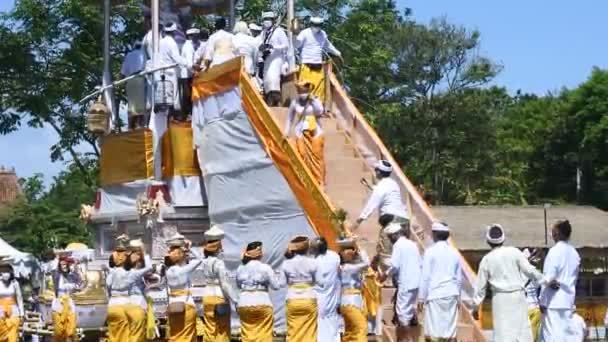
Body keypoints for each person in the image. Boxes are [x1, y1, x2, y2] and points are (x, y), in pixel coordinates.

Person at [472, 224, 548, 342]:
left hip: (501, 300)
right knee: (522, 334)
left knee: (503, 335)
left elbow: (480, 288)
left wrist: (475, 308)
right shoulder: (515, 252)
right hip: (518, 297)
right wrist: (545, 281)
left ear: (488, 241)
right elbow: (530, 270)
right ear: (503, 239)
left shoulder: (487, 259)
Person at [354, 160, 409, 270]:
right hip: (404, 220)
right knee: (399, 250)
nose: (375, 172)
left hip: (392, 222)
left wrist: (358, 221)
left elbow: (371, 204)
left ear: (379, 172)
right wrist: (370, 186)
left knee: (386, 250)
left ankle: (388, 279)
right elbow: (385, 193)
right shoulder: (393, 184)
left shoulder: (381, 187)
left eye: (376, 170)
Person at [418, 221, 462, 342]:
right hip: (452, 294)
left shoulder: (430, 252)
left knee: (433, 332)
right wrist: (459, 299)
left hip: (435, 295)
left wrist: (421, 298)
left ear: (435, 235)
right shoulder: (454, 253)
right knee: (450, 332)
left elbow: (425, 277)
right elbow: (459, 279)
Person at [539, 219, 581, 341]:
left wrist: (542, 301)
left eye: (552, 231)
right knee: (565, 337)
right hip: (568, 301)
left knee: (550, 337)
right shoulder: (574, 253)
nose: (551, 234)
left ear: (557, 233)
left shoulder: (554, 251)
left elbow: (548, 278)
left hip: (553, 302)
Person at [380, 222, 422, 342]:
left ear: (394, 235)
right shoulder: (412, 244)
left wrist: (385, 275)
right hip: (416, 282)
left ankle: (408, 339)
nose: (390, 240)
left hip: (406, 282)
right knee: (407, 309)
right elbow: (420, 263)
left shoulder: (398, 245)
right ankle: (403, 338)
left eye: (390, 237)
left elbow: (395, 265)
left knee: (402, 312)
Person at [106, 236, 152, 342]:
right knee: (127, 334)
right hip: (126, 304)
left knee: (114, 335)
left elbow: (108, 288)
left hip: (112, 305)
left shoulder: (111, 272)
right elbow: (149, 268)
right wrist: (145, 253)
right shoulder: (131, 273)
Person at [236, 241, 281, 342]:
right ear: (260, 253)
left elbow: (239, 285)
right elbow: (276, 286)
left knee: (247, 334)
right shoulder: (265, 268)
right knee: (264, 334)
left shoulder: (240, 268)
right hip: (262, 301)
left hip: (244, 302)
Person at [284, 81, 326, 186]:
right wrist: (286, 132)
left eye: (304, 90)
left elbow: (320, 111)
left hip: (315, 132)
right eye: (300, 90)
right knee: (302, 154)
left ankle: (319, 181)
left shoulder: (314, 100)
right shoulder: (295, 102)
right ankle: (306, 180)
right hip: (300, 131)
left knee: (316, 156)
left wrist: (313, 100)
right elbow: (290, 118)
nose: (302, 92)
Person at [164, 233, 205, 341]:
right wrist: (189, 248)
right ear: (182, 255)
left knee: (175, 335)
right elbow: (200, 259)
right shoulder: (183, 270)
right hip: (186, 304)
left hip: (173, 304)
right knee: (187, 335)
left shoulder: (167, 271)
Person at [279, 236, 319, 341]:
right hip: (309, 297)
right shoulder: (313, 262)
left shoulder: (286, 263)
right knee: (309, 330)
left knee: (293, 330)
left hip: (292, 298)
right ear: (307, 248)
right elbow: (318, 281)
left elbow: (282, 283)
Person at [199, 226, 236, 342]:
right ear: (218, 248)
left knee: (209, 328)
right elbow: (224, 284)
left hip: (207, 295)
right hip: (219, 296)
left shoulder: (204, 262)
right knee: (222, 329)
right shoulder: (219, 263)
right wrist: (235, 299)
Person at [296, 16, 341, 104]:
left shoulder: (323, 34)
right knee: (305, 87)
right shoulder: (304, 33)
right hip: (306, 64)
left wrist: (337, 53)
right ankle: (304, 106)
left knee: (318, 88)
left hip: (318, 64)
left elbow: (328, 46)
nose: (317, 27)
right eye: (315, 25)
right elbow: (297, 44)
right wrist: (294, 35)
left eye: (319, 25)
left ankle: (317, 107)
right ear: (311, 24)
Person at [338, 237, 370, 342]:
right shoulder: (347, 267)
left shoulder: (349, 266)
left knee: (351, 331)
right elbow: (366, 263)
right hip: (350, 301)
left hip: (352, 301)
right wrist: (359, 248)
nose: (352, 252)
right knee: (361, 328)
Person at [312, 237, 341, 341]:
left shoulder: (314, 261)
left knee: (320, 322)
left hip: (318, 296)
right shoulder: (334, 256)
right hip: (333, 294)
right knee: (332, 321)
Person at [126, 239, 154, 342]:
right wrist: (145, 252)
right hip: (137, 302)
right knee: (138, 333)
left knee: (132, 331)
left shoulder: (126, 272)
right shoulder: (135, 273)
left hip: (127, 303)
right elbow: (149, 268)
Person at [259, 11, 289, 106]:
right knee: (267, 81)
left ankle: (276, 101)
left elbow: (286, 45)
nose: (266, 21)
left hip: (277, 59)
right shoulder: (264, 33)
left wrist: (273, 47)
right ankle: (269, 100)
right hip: (267, 59)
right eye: (264, 19)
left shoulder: (279, 31)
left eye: (268, 19)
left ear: (273, 20)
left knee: (273, 79)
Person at [51, 254, 83, 342]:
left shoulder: (72, 276)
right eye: (62, 265)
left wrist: (76, 268)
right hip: (58, 304)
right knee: (59, 331)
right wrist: (58, 258)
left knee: (71, 330)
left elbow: (81, 283)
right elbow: (53, 271)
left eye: (65, 264)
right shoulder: (57, 275)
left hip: (69, 304)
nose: (64, 266)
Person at [158, 22, 188, 112]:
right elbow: (177, 59)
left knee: (163, 96)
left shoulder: (160, 42)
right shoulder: (172, 43)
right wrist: (188, 64)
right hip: (170, 73)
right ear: (173, 32)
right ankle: (171, 119)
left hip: (160, 72)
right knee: (172, 96)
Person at [121, 40, 148, 129]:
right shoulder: (143, 55)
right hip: (140, 79)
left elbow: (123, 72)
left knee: (132, 106)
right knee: (141, 106)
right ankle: (142, 126)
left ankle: (131, 127)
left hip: (130, 80)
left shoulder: (129, 55)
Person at [179, 27, 201, 117]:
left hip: (190, 73)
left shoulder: (193, 45)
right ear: (190, 37)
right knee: (187, 95)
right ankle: (186, 114)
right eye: (194, 36)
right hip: (186, 74)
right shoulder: (188, 46)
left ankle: (188, 113)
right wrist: (195, 69)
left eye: (197, 36)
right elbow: (189, 63)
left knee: (189, 94)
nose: (196, 38)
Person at [523, 248, 542, 342]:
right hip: (535, 307)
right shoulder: (536, 272)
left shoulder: (519, 272)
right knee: (533, 338)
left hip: (522, 308)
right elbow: (541, 285)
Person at [0, 263, 23, 342]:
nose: (5, 273)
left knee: (13, 334)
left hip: (13, 310)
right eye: (3, 270)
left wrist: (22, 313)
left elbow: (19, 299)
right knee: (2, 335)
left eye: (7, 270)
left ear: (10, 272)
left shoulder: (15, 283)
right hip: (1, 310)